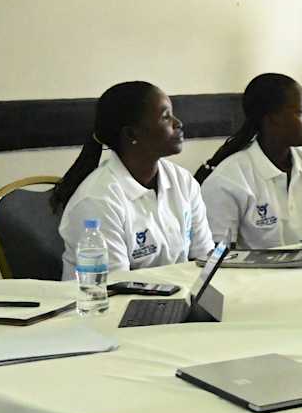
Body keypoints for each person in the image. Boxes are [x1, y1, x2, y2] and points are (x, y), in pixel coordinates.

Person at [52, 81, 214, 278]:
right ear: (131, 133)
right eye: (165, 117)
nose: (178, 123)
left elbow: (204, 261)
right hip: (110, 306)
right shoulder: (97, 200)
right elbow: (115, 287)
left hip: (173, 300)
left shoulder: (183, 182)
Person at [197, 73, 302, 248]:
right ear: (273, 117)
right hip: (248, 275)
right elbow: (219, 260)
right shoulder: (227, 180)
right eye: (301, 111)